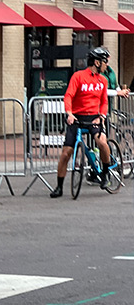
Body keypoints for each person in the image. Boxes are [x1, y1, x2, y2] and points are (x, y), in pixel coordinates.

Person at [50, 47, 111, 198]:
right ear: (97, 62)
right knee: (66, 154)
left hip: (94, 117)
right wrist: (69, 113)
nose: (106, 65)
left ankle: (105, 173)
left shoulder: (103, 80)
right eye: (104, 62)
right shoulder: (78, 76)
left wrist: (102, 116)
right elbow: (68, 95)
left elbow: (104, 101)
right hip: (77, 117)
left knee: (102, 143)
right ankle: (59, 187)